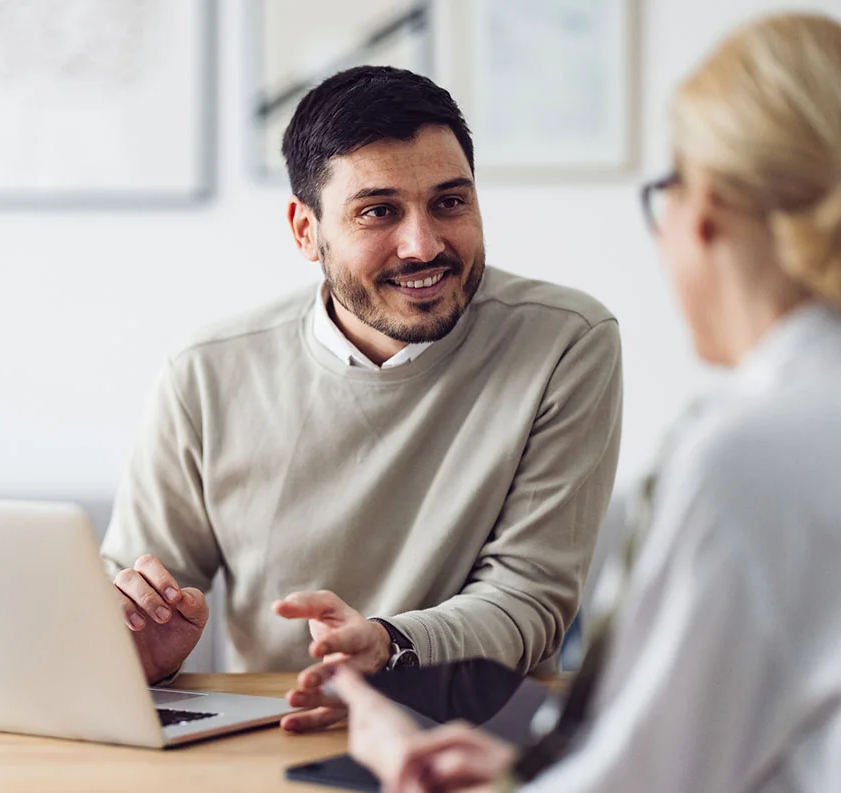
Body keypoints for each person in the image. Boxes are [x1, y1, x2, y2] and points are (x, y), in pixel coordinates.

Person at [330, 12, 841, 792]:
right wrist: (526, 765)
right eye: (378, 210)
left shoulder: (747, 454)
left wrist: (406, 756)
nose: (423, 246)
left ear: (701, 213)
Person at [100, 65, 623, 731]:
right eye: (379, 211)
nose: (424, 244)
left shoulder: (566, 342)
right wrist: (142, 645)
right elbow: (138, 593)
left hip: (476, 734)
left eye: (449, 202)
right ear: (304, 230)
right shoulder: (207, 370)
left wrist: (391, 645)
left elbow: (530, 596)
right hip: (273, 731)